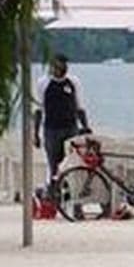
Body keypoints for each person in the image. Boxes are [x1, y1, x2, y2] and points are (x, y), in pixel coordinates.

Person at [32, 54, 90, 186]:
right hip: (51, 130)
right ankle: (54, 191)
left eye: (63, 66)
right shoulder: (43, 83)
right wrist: (36, 134)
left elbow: (79, 107)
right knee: (54, 164)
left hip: (71, 128)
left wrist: (85, 127)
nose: (60, 69)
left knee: (72, 163)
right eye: (57, 66)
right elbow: (38, 110)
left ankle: (70, 192)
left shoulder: (73, 82)